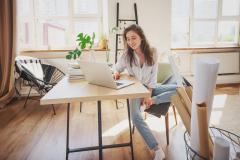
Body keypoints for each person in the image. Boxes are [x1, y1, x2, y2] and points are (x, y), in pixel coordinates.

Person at [114, 24, 177, 160]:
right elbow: (117, 68)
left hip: (151, 88)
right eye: (128, 39)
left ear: (141, 37)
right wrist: (116, 73)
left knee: (182, 90)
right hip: (135, 90)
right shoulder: (126, 55)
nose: (131, 42)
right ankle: (157, 149)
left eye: (133, 38)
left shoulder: (153, 52)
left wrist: (149, 95)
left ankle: (153, 101)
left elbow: (154, 76)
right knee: (135, 116)